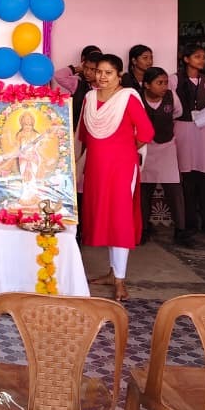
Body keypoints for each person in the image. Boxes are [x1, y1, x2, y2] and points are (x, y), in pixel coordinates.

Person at [78, 53, 154, 302]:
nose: (102, 77)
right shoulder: (89, 98)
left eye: (108, 73)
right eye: (98, 71)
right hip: (96, 167)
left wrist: (125, 150)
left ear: (119, 75)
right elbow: (83, 135)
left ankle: (120, 280)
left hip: (121, 168)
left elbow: (146, 132)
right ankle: (112, 273)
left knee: (120, 219)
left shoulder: (127, 98)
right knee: (105, 217)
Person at [173, 42, 205, 237]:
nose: (202, 60)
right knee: (187, 177)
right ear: (186, 59)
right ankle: (189, 222)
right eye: (197, 56)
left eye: (203, 57)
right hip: (183, 127)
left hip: (203, 129)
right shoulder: (174, 80)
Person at [140, 67, 191, 245]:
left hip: (166, 147)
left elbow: (177, 112)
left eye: (165, 83)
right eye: (159, 83)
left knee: (174, 189)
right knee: (144, 189)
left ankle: (181, 231)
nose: (164, 87)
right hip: (144, 147)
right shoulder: (137, 98)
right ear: (147, 85)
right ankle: (143, 229)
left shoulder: (171, 96)